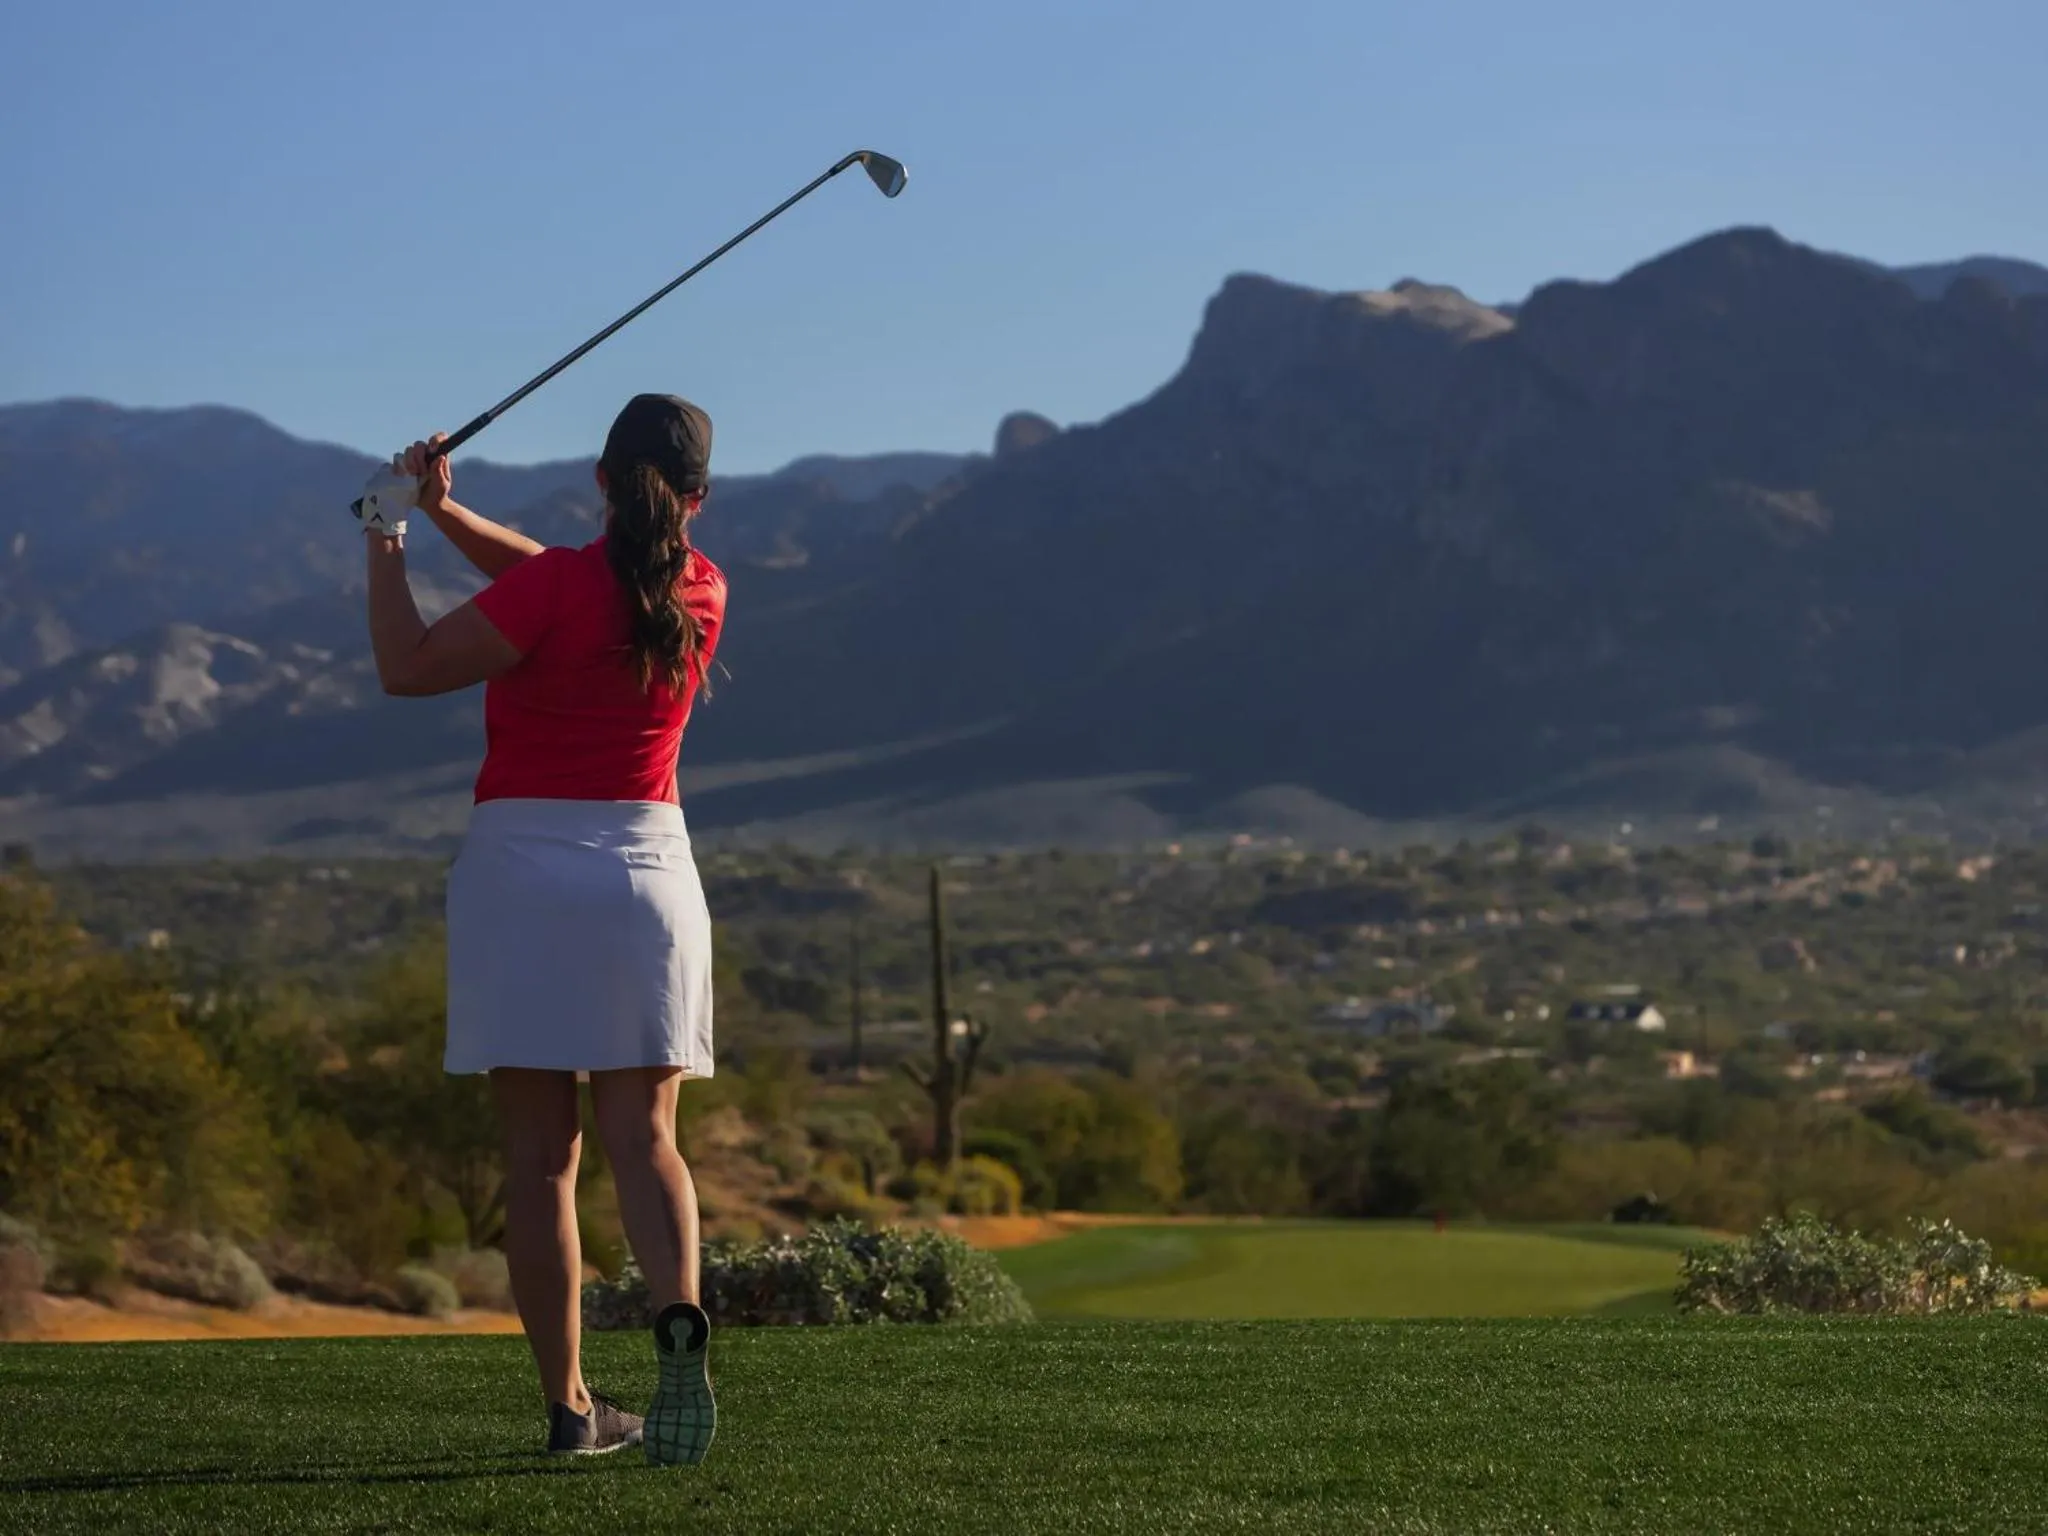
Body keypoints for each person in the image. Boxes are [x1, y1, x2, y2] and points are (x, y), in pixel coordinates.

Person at [362, 394, 726, 1464]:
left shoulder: (555, 588)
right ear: (695, 500)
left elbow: (407, 665)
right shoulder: (699, 588)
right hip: (648, 873)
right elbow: (550, 582)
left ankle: (571, 1409)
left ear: (601, 481)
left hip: (522, 873)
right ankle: (675, 1315)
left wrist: (385, 530)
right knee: (644, 1138)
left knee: (540, 1160)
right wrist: (443, 513)